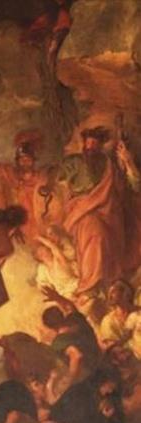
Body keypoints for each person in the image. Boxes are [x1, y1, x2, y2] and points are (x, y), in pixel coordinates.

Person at [58, 126, 141, 297]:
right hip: (84, 211)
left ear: (100, 146)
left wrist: (127, 161)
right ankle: (90, 284)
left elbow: (135, 185)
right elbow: (60, 185)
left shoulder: (112, 165)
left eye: (94, 144)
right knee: (95, 233)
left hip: (111, 213)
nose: (90, 148)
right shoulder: (74, 162)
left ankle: (109, 283)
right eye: (87, 144)